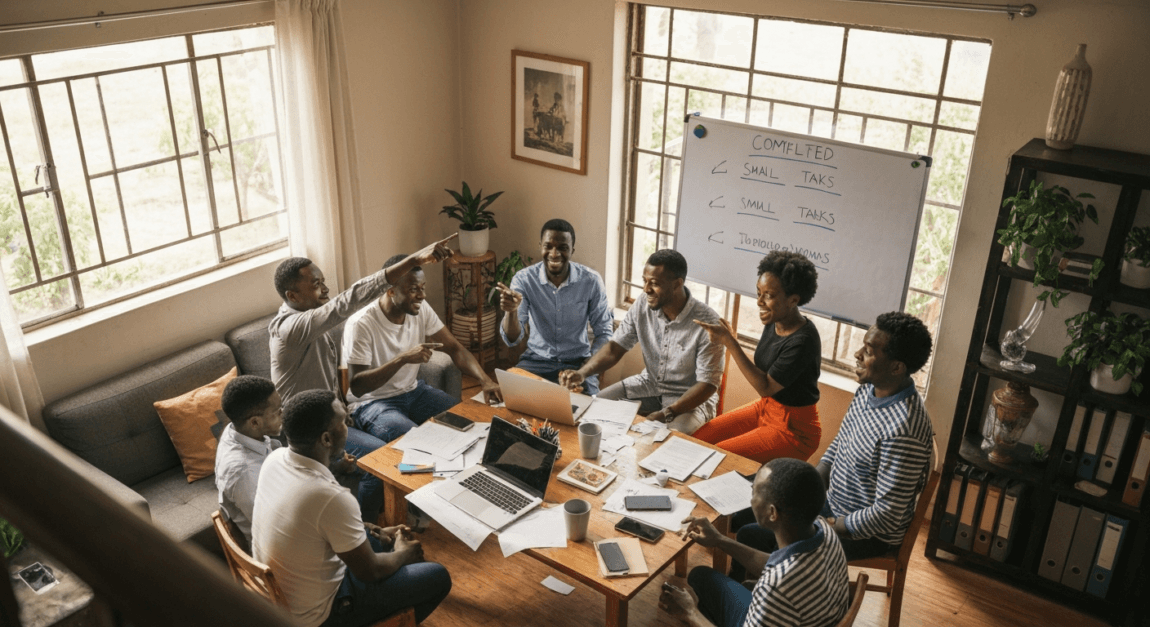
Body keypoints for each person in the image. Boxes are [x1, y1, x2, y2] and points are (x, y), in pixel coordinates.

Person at [269, 234, 457, 519]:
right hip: (304, 433)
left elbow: (331, 384)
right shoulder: (291, 329)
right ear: (292, 296)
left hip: (330, 417)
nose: (326, 289)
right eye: (316, 285)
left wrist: (343, 411)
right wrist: (415, 260)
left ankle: (416, 507)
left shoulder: (312, 324)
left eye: (323, 281)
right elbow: (348, 301)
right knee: (381, 461)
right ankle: (369, 534)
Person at [733, 312, 934, 565]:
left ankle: (762, 596)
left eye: (869, 351)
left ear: (896, 367)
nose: (857, 354)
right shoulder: (868, 389)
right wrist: (806, 488)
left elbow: (887, 515)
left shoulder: (904, 429)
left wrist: (829, 524)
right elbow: (840, 444)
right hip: (829, 504)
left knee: (752, 535)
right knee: (748, 506)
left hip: (863, 534)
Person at [252, 390, 451, 627]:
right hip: (321, 615)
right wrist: (403, 554)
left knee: (377, 540)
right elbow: (371, 572)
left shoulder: (275, 459)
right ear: (326, 439)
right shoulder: (330, 497)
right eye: (344, 423)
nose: (349, 426)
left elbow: (316, 523)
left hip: (285, 595)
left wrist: (373, 529)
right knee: (437, 576)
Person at [660, 458, 849, 627]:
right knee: (701, 576)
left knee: (699, 579)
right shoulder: (824, 529)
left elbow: (778, 580)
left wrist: (690, 613)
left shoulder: (775, 589)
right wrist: (720, 540)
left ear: (772, 513)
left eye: (755, 492)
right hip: (817, 612)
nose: (750, 498)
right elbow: (776, 565)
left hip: (789, 609)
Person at [559, 249, 724, 434]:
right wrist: (582, 373)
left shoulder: (708, 323)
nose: (646, 289)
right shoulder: (643, 304)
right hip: (649, 384)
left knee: (671, 440)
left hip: (690, 398)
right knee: (593, 409)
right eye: (645, 281)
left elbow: (708, 385)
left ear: (677, 284)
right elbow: (615, 348)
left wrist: (666, 413)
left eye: (654, 283)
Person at [343, 254, 502, 443]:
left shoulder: (420, 308)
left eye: (422, 288)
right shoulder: (362, 324)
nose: (422, 295)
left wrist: (485, 380)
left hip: (414, 392)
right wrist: (402, 359)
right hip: (371, 403)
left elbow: (454, 348)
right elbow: (358, 386)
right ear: (390, 290)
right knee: (420, 442)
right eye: (413, 289)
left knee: (468, 424)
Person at [692, 251, 822, 464]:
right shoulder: (775, 320)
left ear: (793, 300)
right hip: (766, 407)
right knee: (698, 439)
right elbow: (766, 386)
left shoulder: (803, 340)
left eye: (769, 296)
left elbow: (765, 386)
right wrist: (731, 339)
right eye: (758, 293)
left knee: (717, 458)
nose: (759, 302)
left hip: (795, 430)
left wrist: (730, 342)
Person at [495, 219, 613, 394]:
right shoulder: (524, 279)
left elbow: (604, 333)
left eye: (562, 248)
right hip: (536, 360)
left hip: (578, 363)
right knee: (512, 399)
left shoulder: (591, 281)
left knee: (586, 411)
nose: (554, 253)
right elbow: (512, 339)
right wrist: (511, 312)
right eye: (548, 246)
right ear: (541, 247)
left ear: (572, 250)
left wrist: (587, 368)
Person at [215, 375, 283, 545]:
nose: (283, 413)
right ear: (254, 423)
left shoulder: (234, 430)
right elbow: (275, 528)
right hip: (274, 546)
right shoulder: (245, 473)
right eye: (277, 412)